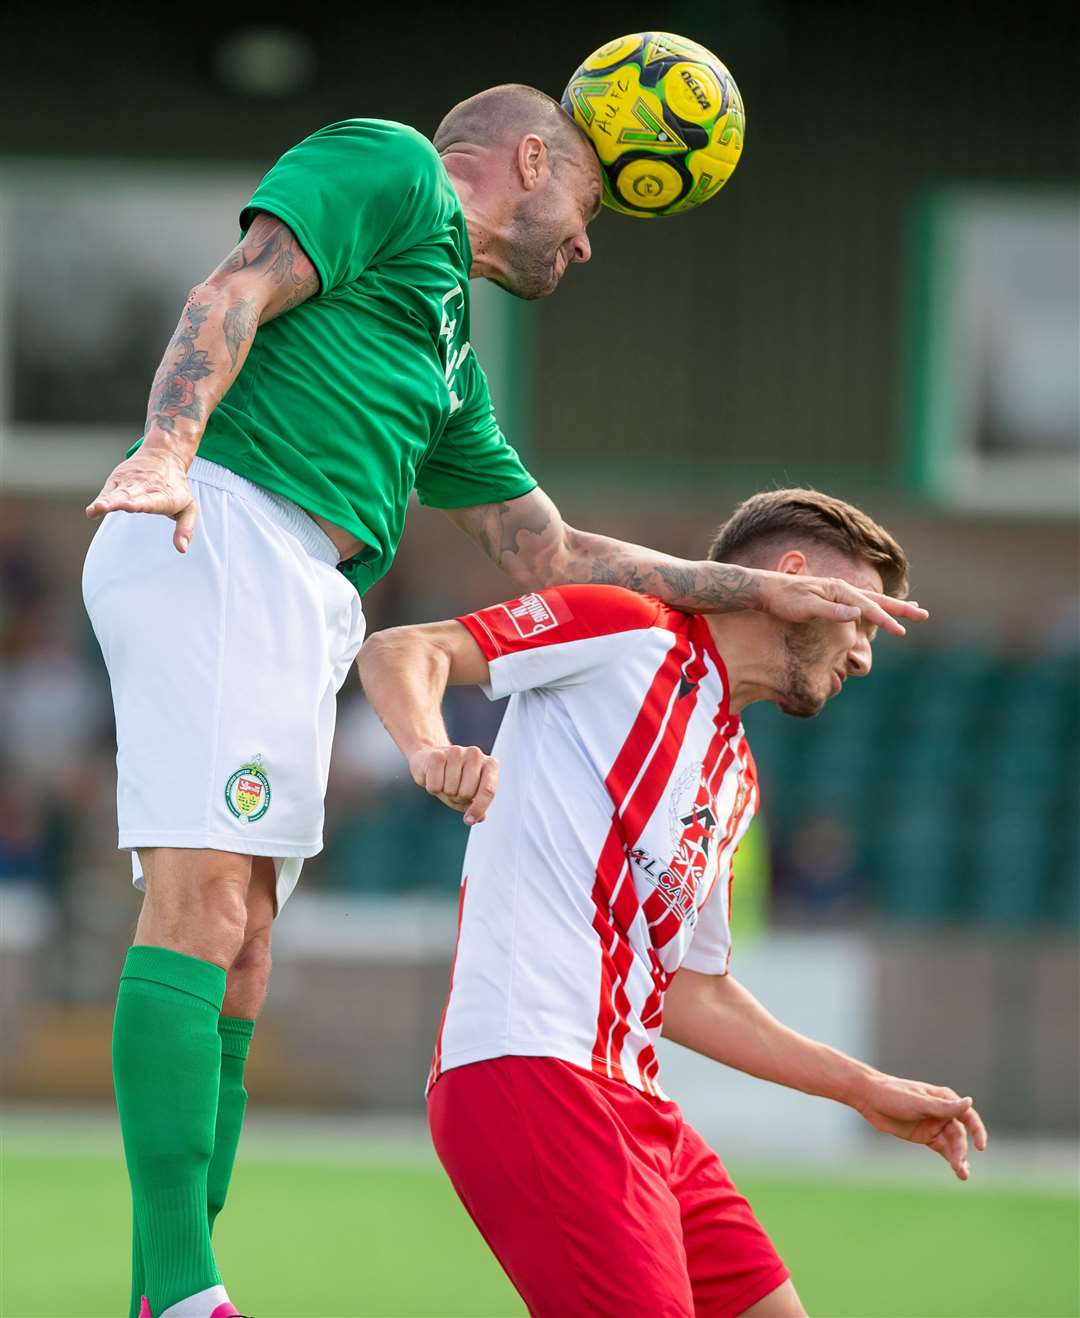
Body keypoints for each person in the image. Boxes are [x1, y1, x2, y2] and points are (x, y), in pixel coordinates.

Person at [82, 84, 925, 1318]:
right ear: (528, 158)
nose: (589, 241)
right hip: (222, 527)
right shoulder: (389, 169)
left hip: (308, 590)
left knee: (247, 948)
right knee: (202, 909)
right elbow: (237, 287)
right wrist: (165, 444)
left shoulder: (445, 353)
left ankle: (184, 1274)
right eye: (588, 199)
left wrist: (753, 586)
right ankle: (178, 1293)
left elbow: (549, 552)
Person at [356, 488, 985, 1318]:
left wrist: (861, 1087)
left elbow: (693, 993)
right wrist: (431, 748)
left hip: (635, 1098)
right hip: (533, 1071)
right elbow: (405, 650)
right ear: (796, 577)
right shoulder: (629, 630)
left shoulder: (738, 775)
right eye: (862, 619)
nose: (865, 655)